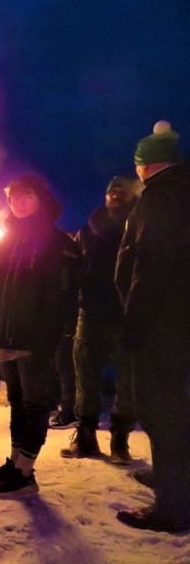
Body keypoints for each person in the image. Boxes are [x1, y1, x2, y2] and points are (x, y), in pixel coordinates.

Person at [0, 173, 79, 498]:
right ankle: (14, 462)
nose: (17, 203)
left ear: (40, 198)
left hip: (33, 341)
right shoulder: (7, 239)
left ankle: (25, 472)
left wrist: (44, 341)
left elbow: (61, 297)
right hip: (5, 338)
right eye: (12, 197)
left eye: (25, 196)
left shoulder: (57, 243)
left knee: (35, 405)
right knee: (17, 402)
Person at [114, 121, 190, 532]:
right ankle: (174, 480)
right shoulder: (180, 192)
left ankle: (174, 504)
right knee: (173, 407)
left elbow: (151, 267)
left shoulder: (161, 199)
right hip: (176, 322)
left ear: (144, 164)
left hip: (161, 325)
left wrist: (134, 323)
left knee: (162, 411)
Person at [60, 175, 141, 461]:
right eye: (111, 191)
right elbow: (74, 268)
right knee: (86, 378)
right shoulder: (89, 230)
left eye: (122, 191)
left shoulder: (141, 227)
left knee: (128, 380)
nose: (116, 195)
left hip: (128, 317)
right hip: (91, 313)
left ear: (133, 195)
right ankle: (85, 437)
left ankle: (120, 440)